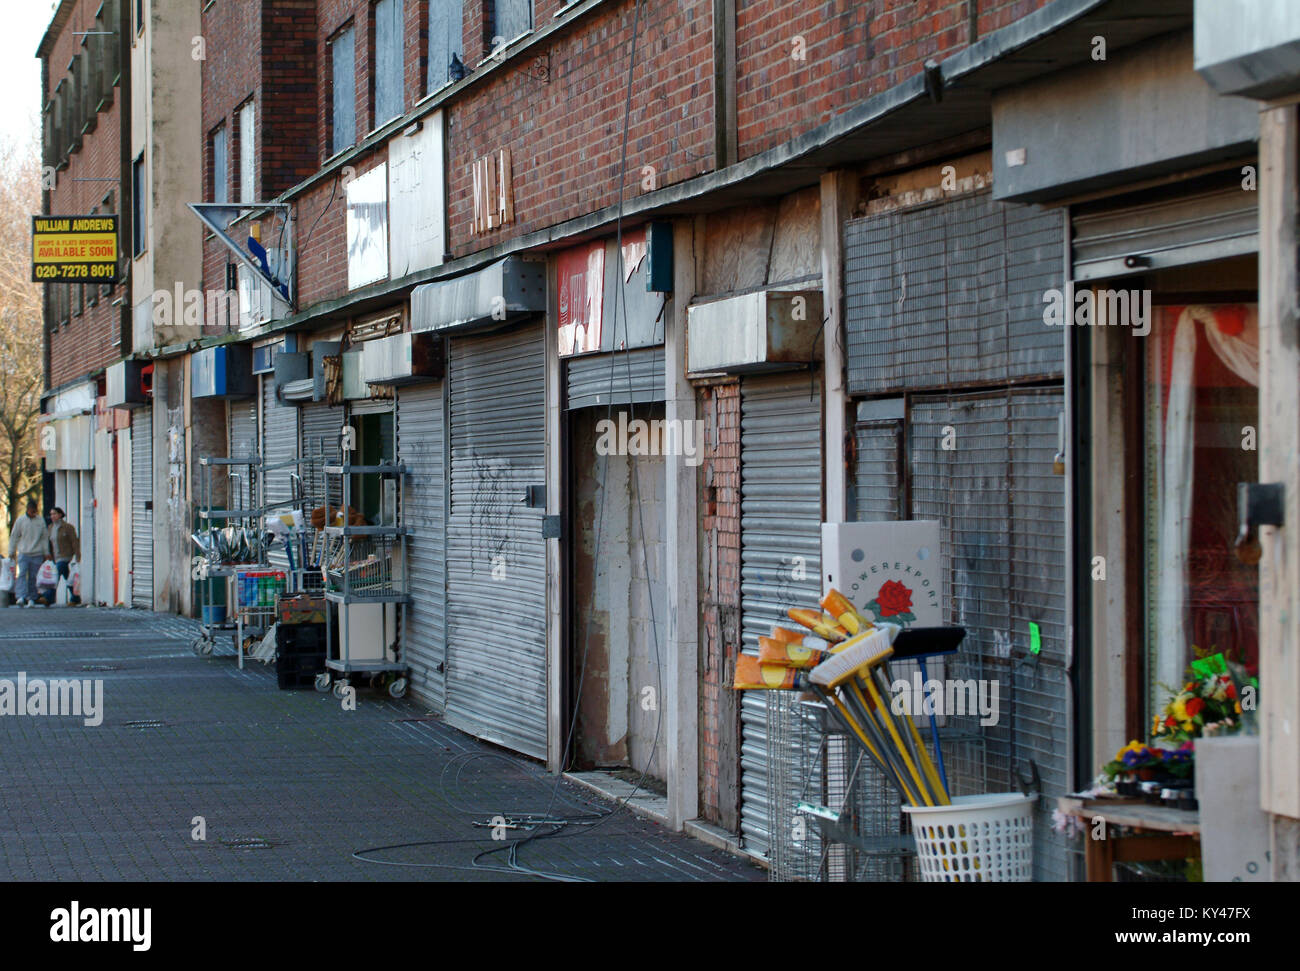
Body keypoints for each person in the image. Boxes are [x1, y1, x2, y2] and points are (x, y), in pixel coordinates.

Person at [8, 500, 47, 607]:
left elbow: (44, 537)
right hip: (24, 552)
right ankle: (21, 596)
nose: (33, 513)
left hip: (37, 553)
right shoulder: (21, 520)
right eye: (32, 511)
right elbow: (14, 536)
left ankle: (32, 598)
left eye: (35, 511)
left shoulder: (40, 521)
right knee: (22, 574)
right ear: (28, 510)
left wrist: (46, 552)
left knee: (34, 576)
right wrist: (11, 551)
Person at [49, 507, 80, 605]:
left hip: (66, 556)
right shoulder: (50, 528)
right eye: (51, 514)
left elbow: (74, 542)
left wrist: (77, 555)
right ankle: (75, 598)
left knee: (56, 575)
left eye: (54, 514)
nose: (52, 516)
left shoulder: (68, 527)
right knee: (68, 578)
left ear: (60, 515)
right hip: (56, 557)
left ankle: (48, 597)